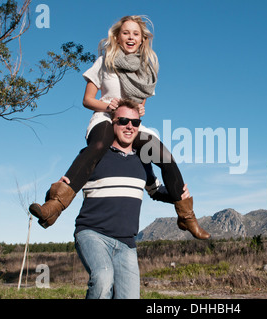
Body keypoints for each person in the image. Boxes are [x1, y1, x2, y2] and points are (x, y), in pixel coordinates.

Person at [28, 15, 210, 240]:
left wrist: (140, 110)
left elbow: (141, 105)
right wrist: (108, 105)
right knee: (99, 144)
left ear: (142, 39)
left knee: (164, 156)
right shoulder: (104, 62)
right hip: (106, 117)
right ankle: (55, 205)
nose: (131, 37)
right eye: (126, 33)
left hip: (130, 123)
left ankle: (186, 216)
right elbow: (87, 100)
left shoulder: (146, 70)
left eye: (136, 34)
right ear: (118, 36)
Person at [75, 100, 189, 299]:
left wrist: (178, 196)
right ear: (112, 123)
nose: (129, 126)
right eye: (124, 121)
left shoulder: (142, 162)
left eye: (135, 123)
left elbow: (155, 191)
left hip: (126, 243)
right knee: (103, 278)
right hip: (93, 234)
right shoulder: (93, 155)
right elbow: (68, 183)